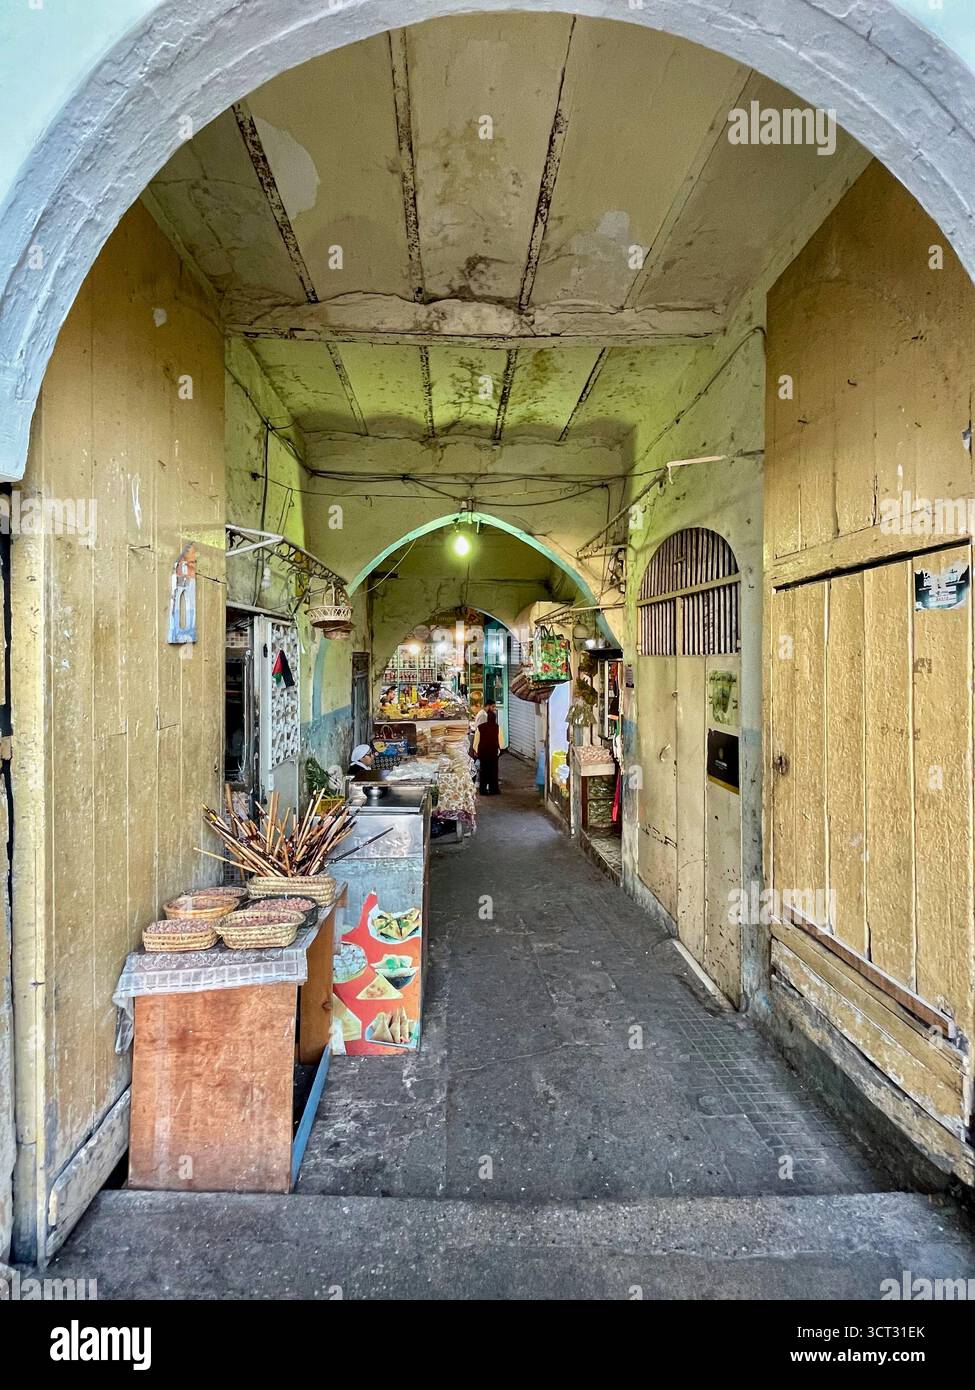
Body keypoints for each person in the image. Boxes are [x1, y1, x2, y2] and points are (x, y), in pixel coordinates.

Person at [472, 701, 501, 795]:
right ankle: (494, 789)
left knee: (483, 771)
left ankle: (483, 790)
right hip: (493, 753)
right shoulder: (497, 727)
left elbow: (476, 741)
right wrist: (499, 749)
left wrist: (476, 750)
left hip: (483, 752)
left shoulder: (481, 727)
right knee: (493, 771)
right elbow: (502, 741)